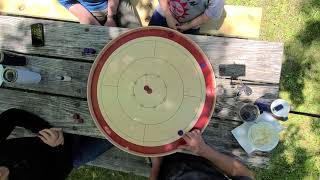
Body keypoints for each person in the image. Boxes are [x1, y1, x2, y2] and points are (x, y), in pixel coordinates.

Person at [0, 108, 113, 180]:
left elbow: (12, 116)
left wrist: (46, 131)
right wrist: (57, 145)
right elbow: (61, 172)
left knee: (99, 102)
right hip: (73, 155)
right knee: (117, 134)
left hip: (63, 128)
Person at [149, 129, 254, 180]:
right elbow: (244, 174)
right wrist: (204, 150)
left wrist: (156, 166)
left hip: (165, 164)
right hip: (201, 156)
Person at [148, 0, 225, 34]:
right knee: (148, 38)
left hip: (190, 26)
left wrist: (187, 26)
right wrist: (168, 16)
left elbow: (206, 16)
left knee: (180, 54)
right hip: (163, 12)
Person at [58, 0, 140, 28]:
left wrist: (111, 17)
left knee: (136, 35)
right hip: (89, 11)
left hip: (118, 4)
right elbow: (68, 2)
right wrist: (101, 31)